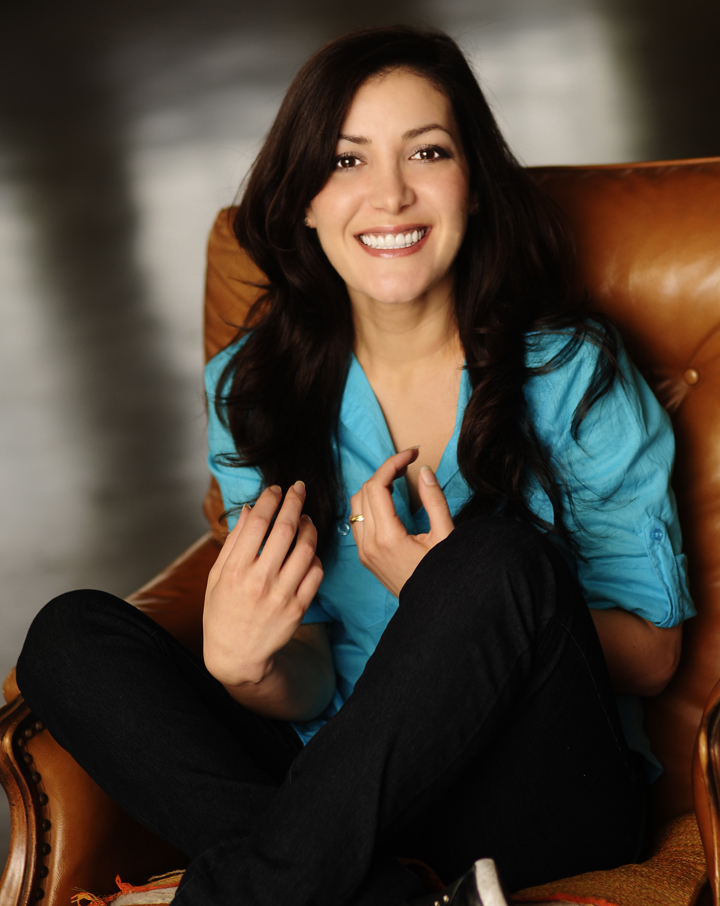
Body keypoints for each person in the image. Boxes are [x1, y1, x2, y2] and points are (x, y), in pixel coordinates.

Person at [16, 25, 694, 906]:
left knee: (492, 561)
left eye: (428, 152)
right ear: (304, 199)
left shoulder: (571, 372)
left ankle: (257, 889)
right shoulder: (255, 387)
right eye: (346, 160)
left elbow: (653, 655)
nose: (391, 194)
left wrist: (444, 599)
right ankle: (379, 895)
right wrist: (251, 668)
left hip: (536, 793)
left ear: (474, 183)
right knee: (68, 638)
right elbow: (313, 682)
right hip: (342, 799)